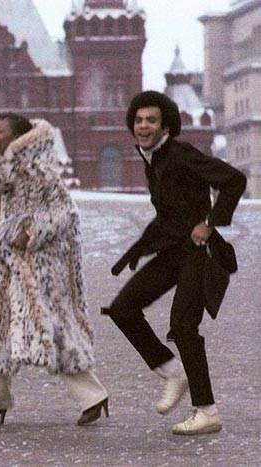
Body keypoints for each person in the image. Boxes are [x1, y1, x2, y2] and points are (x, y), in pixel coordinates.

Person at [103, 91, 246, 435]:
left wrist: (209, 222)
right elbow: (169, 214)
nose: (143, 126)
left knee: (183, 326)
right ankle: (173, 372)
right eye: (139, 120)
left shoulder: (180, 154)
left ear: (165, 126)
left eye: (151, 120)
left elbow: (233, 180)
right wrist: (140, 248)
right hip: (172, 251)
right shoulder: (152, 159)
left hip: (198, 251)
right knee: (123, 309)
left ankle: (207, 411)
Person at [0, 112, 109, 427]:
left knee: (54, 331)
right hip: (5, 266)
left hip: (37, 269)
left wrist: (31, 232)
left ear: (17, 138)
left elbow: (66, 213)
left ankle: (93, 396)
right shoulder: (0, 171)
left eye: (0, 130)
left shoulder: (39, 173)